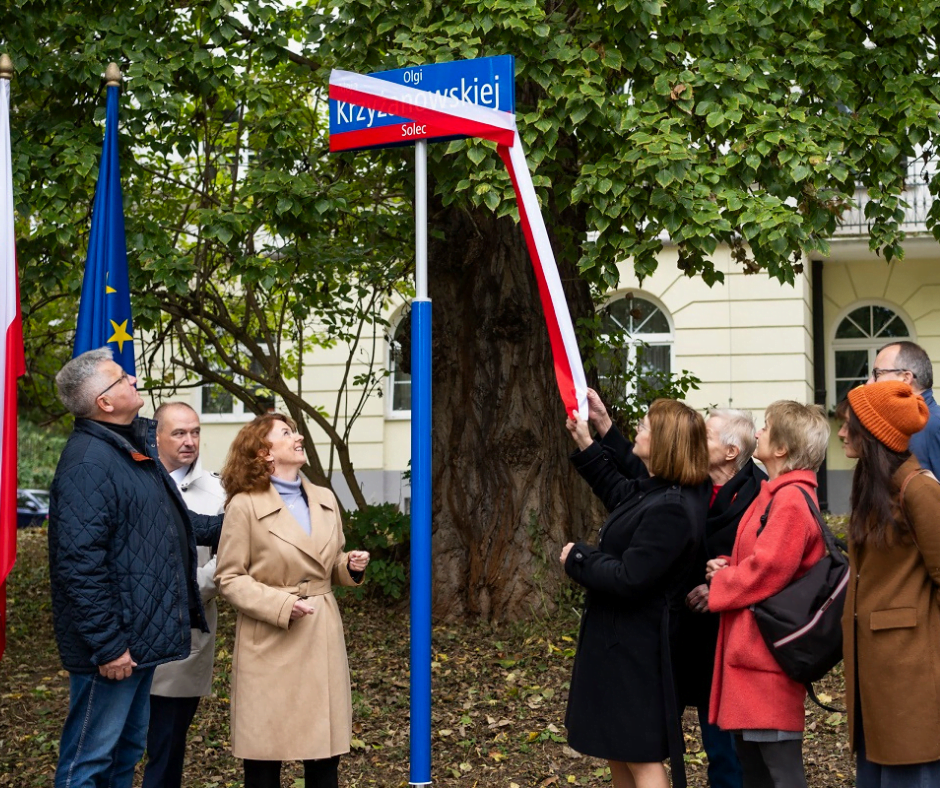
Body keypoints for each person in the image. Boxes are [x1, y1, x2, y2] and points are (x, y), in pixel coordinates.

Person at [48, 348, 223, 788]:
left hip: (139, 641)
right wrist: (108, 647)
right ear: (105, 402)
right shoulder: (89, 462)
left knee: (125, 753)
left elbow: (171, 524)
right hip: (113, 649)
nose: (133, 379)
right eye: (121, 377)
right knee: (88, 763)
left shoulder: (131, 451)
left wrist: (247, 523)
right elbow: (79, 564)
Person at [560, 399, 711, 788]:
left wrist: (579, 558)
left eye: (643, 427)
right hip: (622, 643)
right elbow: (619, 491)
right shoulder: (662, 492)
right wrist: (588, 440)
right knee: (618, 747)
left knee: (640, 756)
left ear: (664, 443)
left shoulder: (672, 507)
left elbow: (631, 577)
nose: (637, 433)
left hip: (639, 650)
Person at [215, 413, 370, 788]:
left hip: (320, 635)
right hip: (269, 640)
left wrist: (348, 566)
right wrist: (282, 606)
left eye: (296, 431)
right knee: (264, 758)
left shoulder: (324, 498)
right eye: (287, 433)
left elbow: (324, 564)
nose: (298, 437)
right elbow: (229, 578)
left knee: (323, 758)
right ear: (264, 452)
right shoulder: (244, 505)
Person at [706, 401, 830, 788]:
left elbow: (767, 571)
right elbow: (762, 560)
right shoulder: (776, 494)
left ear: (781, 448)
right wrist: (729, 564)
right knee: (757, 773)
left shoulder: (789, 500)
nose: (757, 432)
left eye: (766, 427)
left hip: (766, 662)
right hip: (755, 659)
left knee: (780, 774)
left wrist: (722, 582)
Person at [837, 381, 940, 786]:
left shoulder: (919, 489)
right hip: (879, 673)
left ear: (872, 434)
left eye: (848, 425)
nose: (841, 433)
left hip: (910, 675)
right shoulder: (876, 489)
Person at [678, 409, 766, 788]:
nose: (696, 441)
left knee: (732, 746)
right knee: (710, 738)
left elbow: (768, 564)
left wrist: (722, 583)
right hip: (690, 631)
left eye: (707, 436)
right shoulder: (689, 483)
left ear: (731, 452)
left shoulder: (761, 493)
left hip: (737, 635)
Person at [143, 402, 225, 788]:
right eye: (179, 433)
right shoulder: (135, 480)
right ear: (156, 436)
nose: (189, 441)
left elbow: (230, 557)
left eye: (195, 432)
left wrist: (191, 591)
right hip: (129, 635)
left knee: (167, 746)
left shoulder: (218, 491)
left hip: (184, 634)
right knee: (119, 745)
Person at [867, 340, 940, 474]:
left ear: (905, 378)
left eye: (877, 374)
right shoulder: (905, 425)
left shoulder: (934, 425)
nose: (869, 383)